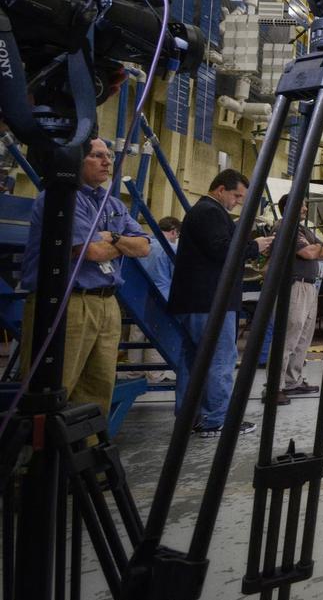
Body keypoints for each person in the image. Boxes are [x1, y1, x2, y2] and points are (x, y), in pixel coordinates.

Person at [18, 138, 150, 421]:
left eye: (108, 157)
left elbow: (144, 247)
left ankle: (84, 459)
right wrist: (120, 244)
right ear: (74, 160)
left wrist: (113, 237)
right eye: (97, 156)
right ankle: (39, 462)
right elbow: (88, 251)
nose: (107, 162)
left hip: (106, 303)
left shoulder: (111, 203)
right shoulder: (60, 198)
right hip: (68, 305)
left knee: (97, 392)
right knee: (55, 390)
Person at [169, 170, 272, 438]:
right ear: (220, 190)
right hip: (211, 302)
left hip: (197, 301)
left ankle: (192, 416)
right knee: (220, 360)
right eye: (236, 195)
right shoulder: (210, 212)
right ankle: (215, 419)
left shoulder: (202, 212)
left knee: (195, 361)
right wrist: (254, 246)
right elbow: (222, 249)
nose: (238, 201)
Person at [272, 194, 323, 400]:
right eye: (302, 205)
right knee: (288, 337)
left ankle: (292, 381)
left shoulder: (304, 230)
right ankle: (274, 386)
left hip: (310, 286)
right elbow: (308, 254)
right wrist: (315, 249)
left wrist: (315, 248)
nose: (305, 209)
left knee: (303, 338)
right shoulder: (284, 227)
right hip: (294, 285)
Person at [137, 215, 181, 383]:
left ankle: (134, 373)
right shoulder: (170, 249)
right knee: (156, 334)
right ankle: (154, 375)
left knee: (137, 333)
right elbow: (176, 276)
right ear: (173, 231)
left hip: (139, 292)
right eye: (177, 235)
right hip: (161, 295)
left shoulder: (144, 244)